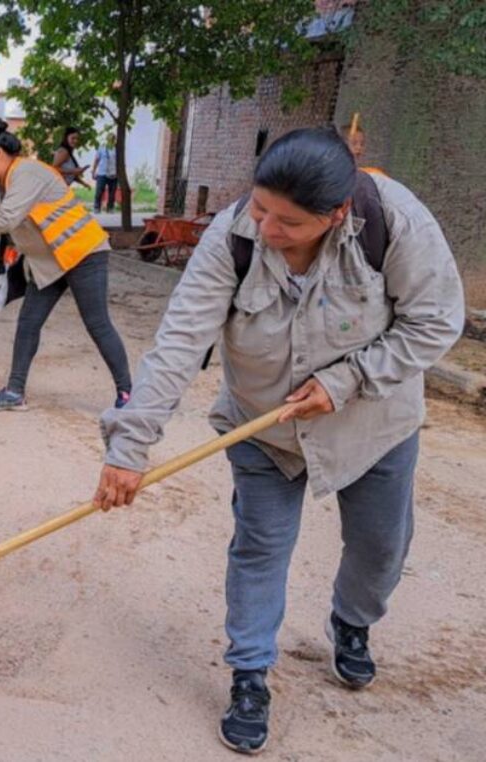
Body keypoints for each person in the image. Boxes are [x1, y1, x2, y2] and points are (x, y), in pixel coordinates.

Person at [93, 128, 464, 754]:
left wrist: (347, 379)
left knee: (380, 547)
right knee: (260, 545)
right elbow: (181, 339)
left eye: (288, 223)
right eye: (260, 209)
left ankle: (352, 622)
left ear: (336, 214)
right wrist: (129, 448)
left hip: (373, 423)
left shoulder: (394, 222)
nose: (265, 229)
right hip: (260, 424)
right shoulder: (233, 234)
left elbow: (436, 322)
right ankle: (249, 675)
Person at [0, 117, 132, 411]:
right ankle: (15, 392)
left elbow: (6, 219)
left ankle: (128, 394)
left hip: (83, 253)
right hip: (49, 262)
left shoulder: (26, 173)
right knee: (28, 323)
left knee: (98, 324)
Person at [91, 134, 118, 214]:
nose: (111, 140)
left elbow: (120, 162)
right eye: (110, 139)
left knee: (112, 192)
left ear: (115, 140)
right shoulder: (102, 148)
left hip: (114, 173)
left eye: (113, 139)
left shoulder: (117, 149)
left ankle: (110, 208)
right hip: (102, 173)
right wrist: (93, 171)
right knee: (99, 191)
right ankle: (96, 207)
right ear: (107, 140)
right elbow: (96, 160)